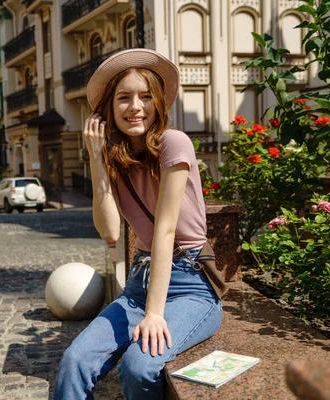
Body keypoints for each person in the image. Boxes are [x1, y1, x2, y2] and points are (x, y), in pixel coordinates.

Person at [53, 49, 222, 399]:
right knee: (75, 359)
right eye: (124, 98)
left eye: (145, 96)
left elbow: (165, 232)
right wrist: (96, 159)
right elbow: (110, 232)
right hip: (138, 285)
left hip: (190, 287)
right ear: (108, 110)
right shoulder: (118, 161)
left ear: (158, 103)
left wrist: (155, 314)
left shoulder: (173, 144)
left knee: (138, 366)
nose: (135, 106)